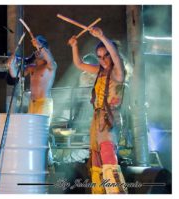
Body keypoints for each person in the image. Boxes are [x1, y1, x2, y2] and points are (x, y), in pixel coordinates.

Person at [68, 27, 127, 194]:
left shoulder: (118, 72)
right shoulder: (100, 71)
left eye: (105, 56)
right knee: (96, 157)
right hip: (97, 118)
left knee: (108, 154)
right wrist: (74, 46)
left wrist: (102, 36)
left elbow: (115, 56)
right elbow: (79, 64)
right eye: (99, 57)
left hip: (110, 117)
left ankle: (116, 193)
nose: (103, 60)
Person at [7, 35, 57, 122]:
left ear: (45, 49)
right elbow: (16, 75)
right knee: (32, 131)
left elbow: (49, 59)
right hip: (32, 103)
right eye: (36, 49)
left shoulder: (50, 66)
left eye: (39, 49)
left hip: (44, 103)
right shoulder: (32, 67)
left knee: (40, 131)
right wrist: (11, 66)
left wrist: (40, 46)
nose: (37, 51)